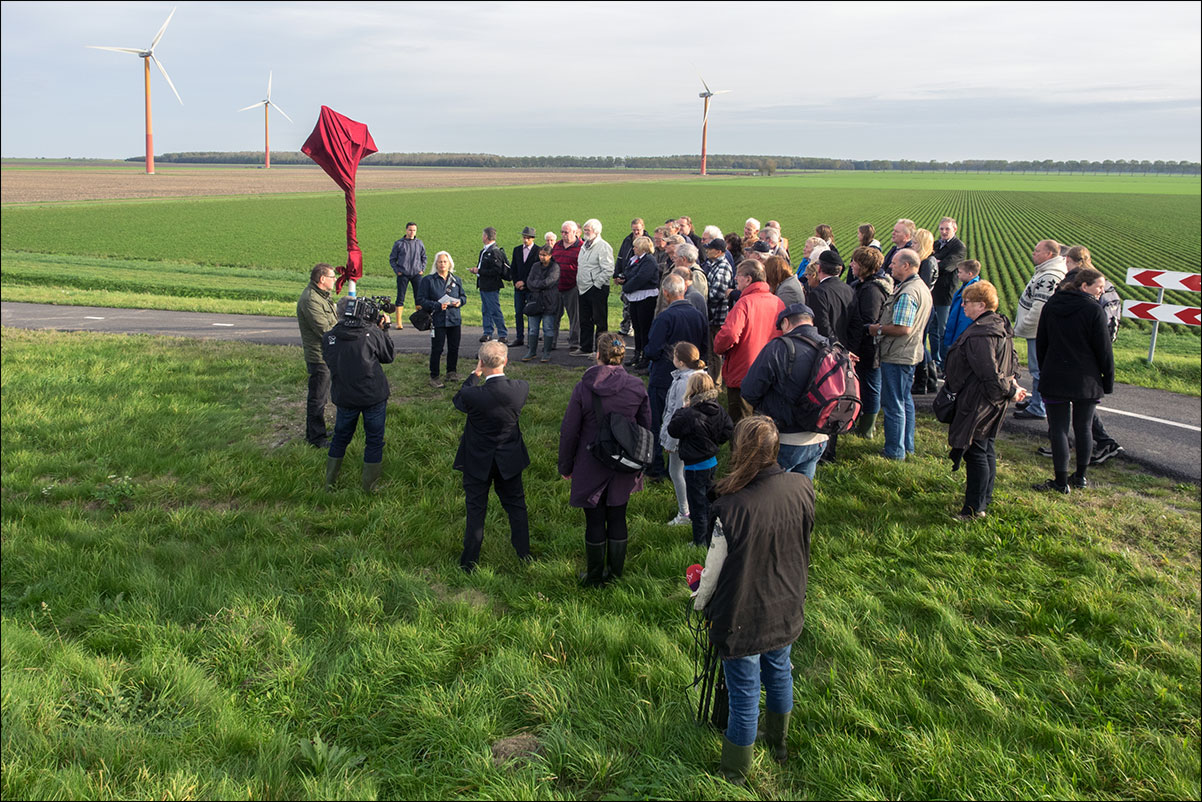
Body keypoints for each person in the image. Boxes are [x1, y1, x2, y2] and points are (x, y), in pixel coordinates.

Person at [691, 416, 814, 785]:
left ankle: (734, 774)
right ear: (774, 449)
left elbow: (711, 574)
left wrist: (699, 601)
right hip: (787, 601)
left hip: (742, 613)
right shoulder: (802, 486)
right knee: (779, 672)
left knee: (744, 692)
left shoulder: (731, 506)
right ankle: (779, 744)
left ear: (739, 450)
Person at [558, 334, 651, 586]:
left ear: (597, 354)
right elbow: (646, 427)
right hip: (625, 463)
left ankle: (595, 576)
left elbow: (569, 430)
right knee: (618, 515)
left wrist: (565, 465)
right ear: (623, 355)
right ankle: (616, 575)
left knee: (594, 519)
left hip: (591, 461)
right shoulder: (637, 386)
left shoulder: (583, 387)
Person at [941, 281, 1027, 519]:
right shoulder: (999, 326)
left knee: (976, 451)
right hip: (994, 398)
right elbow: (1012, 361)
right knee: (986, 447)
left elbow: (988, 371)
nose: (963, 307)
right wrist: (1012, 386)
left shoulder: (981, 333)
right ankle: (983, 501)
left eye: (966, 302)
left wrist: (1008, 389)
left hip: (979, 399)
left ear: (981, 304)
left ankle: (973, 509)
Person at [1034, 246, 1125, 464]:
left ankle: (1062, 473)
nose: (1100, 291)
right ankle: (1081, 474)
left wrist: (1045, 367)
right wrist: (1107, 379)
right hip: (1087, 371)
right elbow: (1104, 348)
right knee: (1083, 424)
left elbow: (1042, 341)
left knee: (1060, 427)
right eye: (1099, 288)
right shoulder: (1096, 298)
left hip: (1059, 367)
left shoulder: (1058, 299)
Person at [453, 341, 533, 573]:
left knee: (476, 510)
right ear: (506, 361)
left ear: (481, 363)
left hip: (478, 460)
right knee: (517, 506)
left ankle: (469, 562)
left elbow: (458, 400)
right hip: (509, 458)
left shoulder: (472, 394)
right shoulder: (520, 388)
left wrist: (473, 375)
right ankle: (524, 553)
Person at [740, 303, 830, 479]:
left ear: (786, 322)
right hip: (820, 434)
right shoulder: (829, 345)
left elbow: (749, 390)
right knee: (801, 493)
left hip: (786, 437)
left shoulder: (778, 347)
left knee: (775, 495)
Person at [322, 295, 394, 492]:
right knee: (374, 440)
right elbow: (388, 356)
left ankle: (330, 482)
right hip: (373, 396)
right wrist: (384, 330)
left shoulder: (329, 337)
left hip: (345, 396)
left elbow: (331, 362)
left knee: (340, 437)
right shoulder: (371, 333)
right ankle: (369, 487)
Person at [868, 248, 933, 460]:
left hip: (898, 354)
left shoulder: (907, 293)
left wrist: (877, 329)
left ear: (906, 265)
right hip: (911, 352)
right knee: (905, 401)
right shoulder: (920, 287)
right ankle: (907, 446)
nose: (890, 266)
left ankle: (894, 451)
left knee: (893, 404)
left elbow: (903, 327)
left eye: (894, 263)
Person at [646, 275, 709, 479]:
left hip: (665, 376)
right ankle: (681, 465)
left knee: (658, 420)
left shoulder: (664, 317)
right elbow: (705, 347)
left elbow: (653, 349)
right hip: (692, 378)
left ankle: (656, 467)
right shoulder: (698, 315)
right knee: (685, 420)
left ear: (665, 293)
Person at [713, 261, 785, 423]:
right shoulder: (777, 302)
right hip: (770, 371)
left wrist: (718, 346)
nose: (736, 279)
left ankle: (741, 448)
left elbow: (729, 335)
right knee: (764, 423)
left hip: (743, 371)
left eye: (738, 276)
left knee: (741, 422)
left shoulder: (744, 303)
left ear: (748, 279)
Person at [668, 371, 733, 547]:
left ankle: (700, 542)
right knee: (709, 501)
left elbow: (672, 429)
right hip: (711, 461)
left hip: (694, 466)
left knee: (697, 506)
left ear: (692, 390)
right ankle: (712, 535)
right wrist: (714, 442)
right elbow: (728, 429)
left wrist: (682, 409)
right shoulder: (718, 409)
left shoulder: (689, 413)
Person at [1012, 239, 1067, 420]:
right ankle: (1037, 401)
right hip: (1037, 330)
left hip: (1037, 331)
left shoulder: (1050, 276)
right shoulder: (1046, 271)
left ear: (1049, 254)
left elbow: (1039, 308)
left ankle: (1038, 406)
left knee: (1038, 370)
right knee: (1038, 369)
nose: (1033, 254)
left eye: (1037, 251)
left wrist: (1023, 326)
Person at [846, 247, 892, 439]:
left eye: (855, 262)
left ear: (864, 266)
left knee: (871, 386)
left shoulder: (872, 290)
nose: (851, 265)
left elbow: (869, 320)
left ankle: (867, 428)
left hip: (869, 348)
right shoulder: (862, 285)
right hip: (862, 345)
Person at [660, 342, 707, 527]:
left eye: (674, 356)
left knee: (675, 472)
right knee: (689, 473)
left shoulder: (682, 383)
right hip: (697, 435)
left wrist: (669, 443)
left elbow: (676, 414)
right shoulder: (700, 376)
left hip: (680, 436)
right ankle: (694, 508)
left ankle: (684, 513)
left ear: (680, 362)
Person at [296, 262, 339, 447]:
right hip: (319, 357)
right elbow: (325, 329)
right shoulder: (311, 299)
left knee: (322, 395)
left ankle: (318, 431)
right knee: (317, 397)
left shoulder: (321, 296)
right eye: (332, 277)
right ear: (322, 279)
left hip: (326, 355)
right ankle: (315, 438)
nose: (335, 279)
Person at [418, 250, 467, 389]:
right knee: (437, 349)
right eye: (440, 262)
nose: (442, 264)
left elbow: (463, 296)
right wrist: (437, 305)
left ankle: (451, 372)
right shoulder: (428, 280)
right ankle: (434, 376)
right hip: (438, 319)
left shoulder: (456, 280)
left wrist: (459, 302)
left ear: (449, 263)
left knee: (453, 348)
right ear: (436, 264)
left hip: (454, 319)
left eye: (445, 261)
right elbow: (421, 300)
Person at [616, 235, 660, 371]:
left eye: (635, 246)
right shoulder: (634, 259)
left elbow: (641, 278)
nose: (633, 248)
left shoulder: (649, 261)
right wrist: (623, 278)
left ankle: (645, 357)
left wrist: (626, 286)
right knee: (637, 327)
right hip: (635, 297)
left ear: (642, 248)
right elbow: (629, 273)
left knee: (644, 328)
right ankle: (637, 354)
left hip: (646, 297)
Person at [930, 216, 967, 374]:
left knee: (944, 329)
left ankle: (946, 363)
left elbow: (947, 266)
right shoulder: (936, 244)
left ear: (955, 230)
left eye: (947, 229)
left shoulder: (958, 247)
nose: (944, 232)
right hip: (932, 292)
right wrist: (936, 262)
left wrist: (935, 262)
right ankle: (934, 361)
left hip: (945, 293)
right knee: (932, 329)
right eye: (941, 229)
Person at [574, 218, 615, 358]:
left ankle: (600, 351)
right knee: (585, 319)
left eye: (588, 230)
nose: (585, 232)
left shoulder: (603, 246)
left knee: (599, 320)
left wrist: (596, 285)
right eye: (584, 230)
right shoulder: (584, 246)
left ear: (596, 232)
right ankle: (585, 347)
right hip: (583, 288)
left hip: (596, 289)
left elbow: (608, 269)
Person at [911, 228, 941, 395]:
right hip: (926, 305)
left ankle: (923, 381)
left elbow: (922, 285)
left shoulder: (928, 262)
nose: (912, 245)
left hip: (924, 306)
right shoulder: (928, 261)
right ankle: (930, 380)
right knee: (921, 344)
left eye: (915, 243)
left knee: (919, 343)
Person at [521, 246, 561, 363]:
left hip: (549, 301)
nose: (542, 257)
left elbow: (549, 282)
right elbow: (529, 282)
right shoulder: (535, 266)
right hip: (535, 301)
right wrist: (539, 285)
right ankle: (531, 351)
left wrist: (537, 284)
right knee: (533, 328)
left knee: (548, 328)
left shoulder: (555, 267)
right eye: (540, 254)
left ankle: (546, 352)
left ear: (550, 255)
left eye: (544, 255)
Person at [807, 250, 854, 346]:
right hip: (847, 349)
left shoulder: (817, 293)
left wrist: (836, 348)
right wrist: (850, 350)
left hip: (828, 351)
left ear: (819, 268)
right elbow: (856, 324)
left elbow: (822, 327)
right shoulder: (849, 290)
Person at [472, 227, 510, 344]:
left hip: (491, 285)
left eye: (483, 235)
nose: (482, 237)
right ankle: (487, 332)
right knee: (486, 310)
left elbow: (496, 271)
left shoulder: (494, 252)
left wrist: (479, 271)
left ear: (486, 237)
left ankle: (503, 334)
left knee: (494, 309)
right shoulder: (484, 251)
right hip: (483, 285)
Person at [389, 222, 426, 330]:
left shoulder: (419, 243)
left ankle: (419, 321)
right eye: (410, 230)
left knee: (419, 298)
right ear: (406, 230)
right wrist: (397, 271)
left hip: (416, 274)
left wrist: (422, 269)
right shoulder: (399, 243)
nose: (412, 232)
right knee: (400, 297)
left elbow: (424, 257)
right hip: (403, 274)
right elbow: (392, 259)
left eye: (414, 230)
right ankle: (399, 322)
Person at [553, 221, 583, 352]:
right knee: (553, 316)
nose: (564, 235)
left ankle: (574, 342)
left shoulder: (581, 247)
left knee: (574, 317)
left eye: (567, 232)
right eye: (562, 232)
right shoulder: (557, 245)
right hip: (556, 287)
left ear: (575, 232)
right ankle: (551, 342)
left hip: (572, 286)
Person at [943, 259, 982, 359]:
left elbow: (966, 318)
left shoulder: (973, 290)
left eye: (960, 272)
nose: (958, 275)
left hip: (962, 329)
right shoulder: (966, 286)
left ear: (970, 274)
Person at [510, 226, 542, 349]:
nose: (525, 240)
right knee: (518, 312)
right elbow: (513, 268)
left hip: (531, 288)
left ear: (532, 238)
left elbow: (535, 271)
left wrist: (525, 282)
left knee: (531, 313)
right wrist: (516, 282)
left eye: (528, 238)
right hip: (518, 288)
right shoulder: (517, 250)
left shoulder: (538, 251)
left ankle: (531, 338)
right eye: (524, 237)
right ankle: (519, 337)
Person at [615, 218, 646, 336]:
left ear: (643, 228)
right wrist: (616, 274)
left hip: (638, 278)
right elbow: (620, 258)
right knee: (626, 303)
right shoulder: (627, 240)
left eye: (638, 230)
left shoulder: (647, 241)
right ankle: (625, 326)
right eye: (634, 230)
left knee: (636, 304)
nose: (636, 232)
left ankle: (633, 327)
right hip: (626, 275)